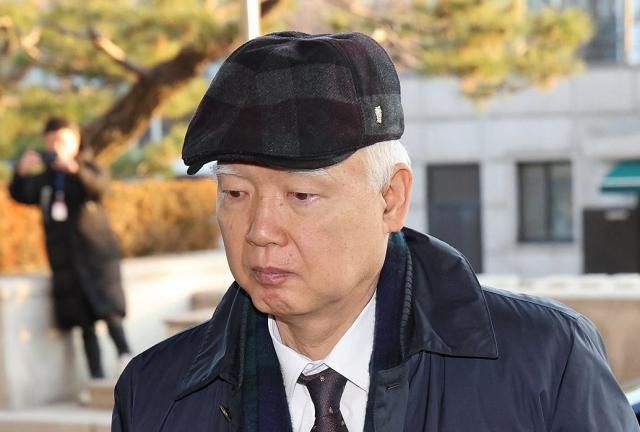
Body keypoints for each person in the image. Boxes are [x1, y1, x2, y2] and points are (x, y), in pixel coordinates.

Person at [112, 32, 638, 431]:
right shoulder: (153, 396)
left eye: (301, 196)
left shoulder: (546, 364)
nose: (261, 231)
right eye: (235, 193)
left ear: (391, 199)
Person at [9, 117, 131, 380]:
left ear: (75, 141)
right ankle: (97, 378)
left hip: (96, 257)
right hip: (66, 261)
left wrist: (74, 169)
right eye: (51, 141)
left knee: (110, 314)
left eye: (61, 140)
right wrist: (20, 172)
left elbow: (100, 188)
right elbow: (21, 194)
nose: (56, 146)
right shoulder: (47, 178)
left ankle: (127, 361)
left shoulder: (88, 167)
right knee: (84, 323)